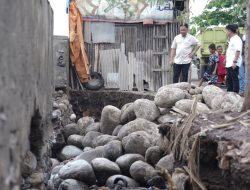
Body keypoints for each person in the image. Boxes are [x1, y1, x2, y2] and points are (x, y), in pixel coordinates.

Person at [225, 24, 243, 93]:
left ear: (229, 31)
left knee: (234, 79)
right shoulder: (232, 39)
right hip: (229, 63)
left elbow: (238, 50)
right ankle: (229, 93)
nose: (226, 32)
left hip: (233, 63)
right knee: (229, 80)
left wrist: (234, 62)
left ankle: (235, 95)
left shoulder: (236, 39)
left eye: (226, 31)